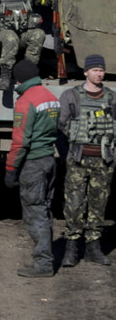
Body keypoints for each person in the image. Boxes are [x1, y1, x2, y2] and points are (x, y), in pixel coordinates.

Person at [4, 60, 60, 277]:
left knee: (35, 213)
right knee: (45, 210)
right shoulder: (50, 97)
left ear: (19, 79)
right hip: (49, 160)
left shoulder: (26, 101)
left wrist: (11, 169)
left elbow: (20, 141)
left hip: (34, 164)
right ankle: (46, 256)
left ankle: (43, 263)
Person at [58, 54, 114, 267]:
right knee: (73, 205)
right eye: (95, 70)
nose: (99, 74)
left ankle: (93, 247)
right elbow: (61, 125)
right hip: (78, 159)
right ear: (85, 72)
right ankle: (71, 248)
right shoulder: (71, 96)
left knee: (98, 205)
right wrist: (70, 152)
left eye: (101, 70)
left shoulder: (111, 97)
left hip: (104, 161)